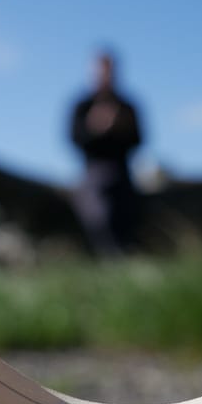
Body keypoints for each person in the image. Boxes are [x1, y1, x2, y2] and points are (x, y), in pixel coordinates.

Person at [69, 52, 143, 256]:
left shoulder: (127, 105)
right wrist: (95, 129)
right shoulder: (82, 105)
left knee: (128, 211)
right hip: (93, 171)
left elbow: (139, 139)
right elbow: (74, 138)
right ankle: (109, 257)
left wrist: (120, 128)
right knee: (99, 211)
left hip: (123, 171)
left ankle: (124, 256)